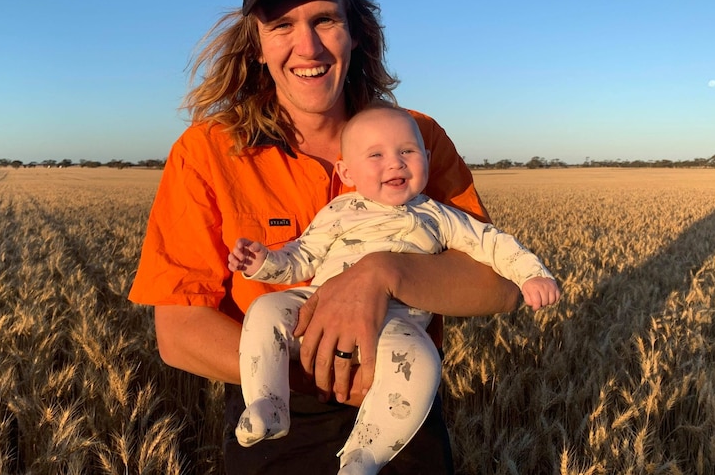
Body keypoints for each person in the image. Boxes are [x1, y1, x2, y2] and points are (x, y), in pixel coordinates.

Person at [128, 0, 522, 474]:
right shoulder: (207, 151)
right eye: (281, 24)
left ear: (355, 30)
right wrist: (313, 372)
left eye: (325, 20)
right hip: (274, 418)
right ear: (257, 44)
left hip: (401, 414)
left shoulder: (417, 137)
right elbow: (178, 332)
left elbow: (499, 286)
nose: (306, 46)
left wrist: (383, 274)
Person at [228, 105, 560, 474]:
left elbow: (492, 243)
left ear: (428, 159)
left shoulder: (439, 216)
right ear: (346, 172)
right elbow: (301, 256)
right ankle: (270, 403)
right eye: (376, 155)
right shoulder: (340, 210)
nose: (395, 163)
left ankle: (364, 455)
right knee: (266, 310)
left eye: (407, 151)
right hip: (317, 312)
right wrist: (262, 264)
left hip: (394, 330)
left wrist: (532, 275)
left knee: (423, 362)